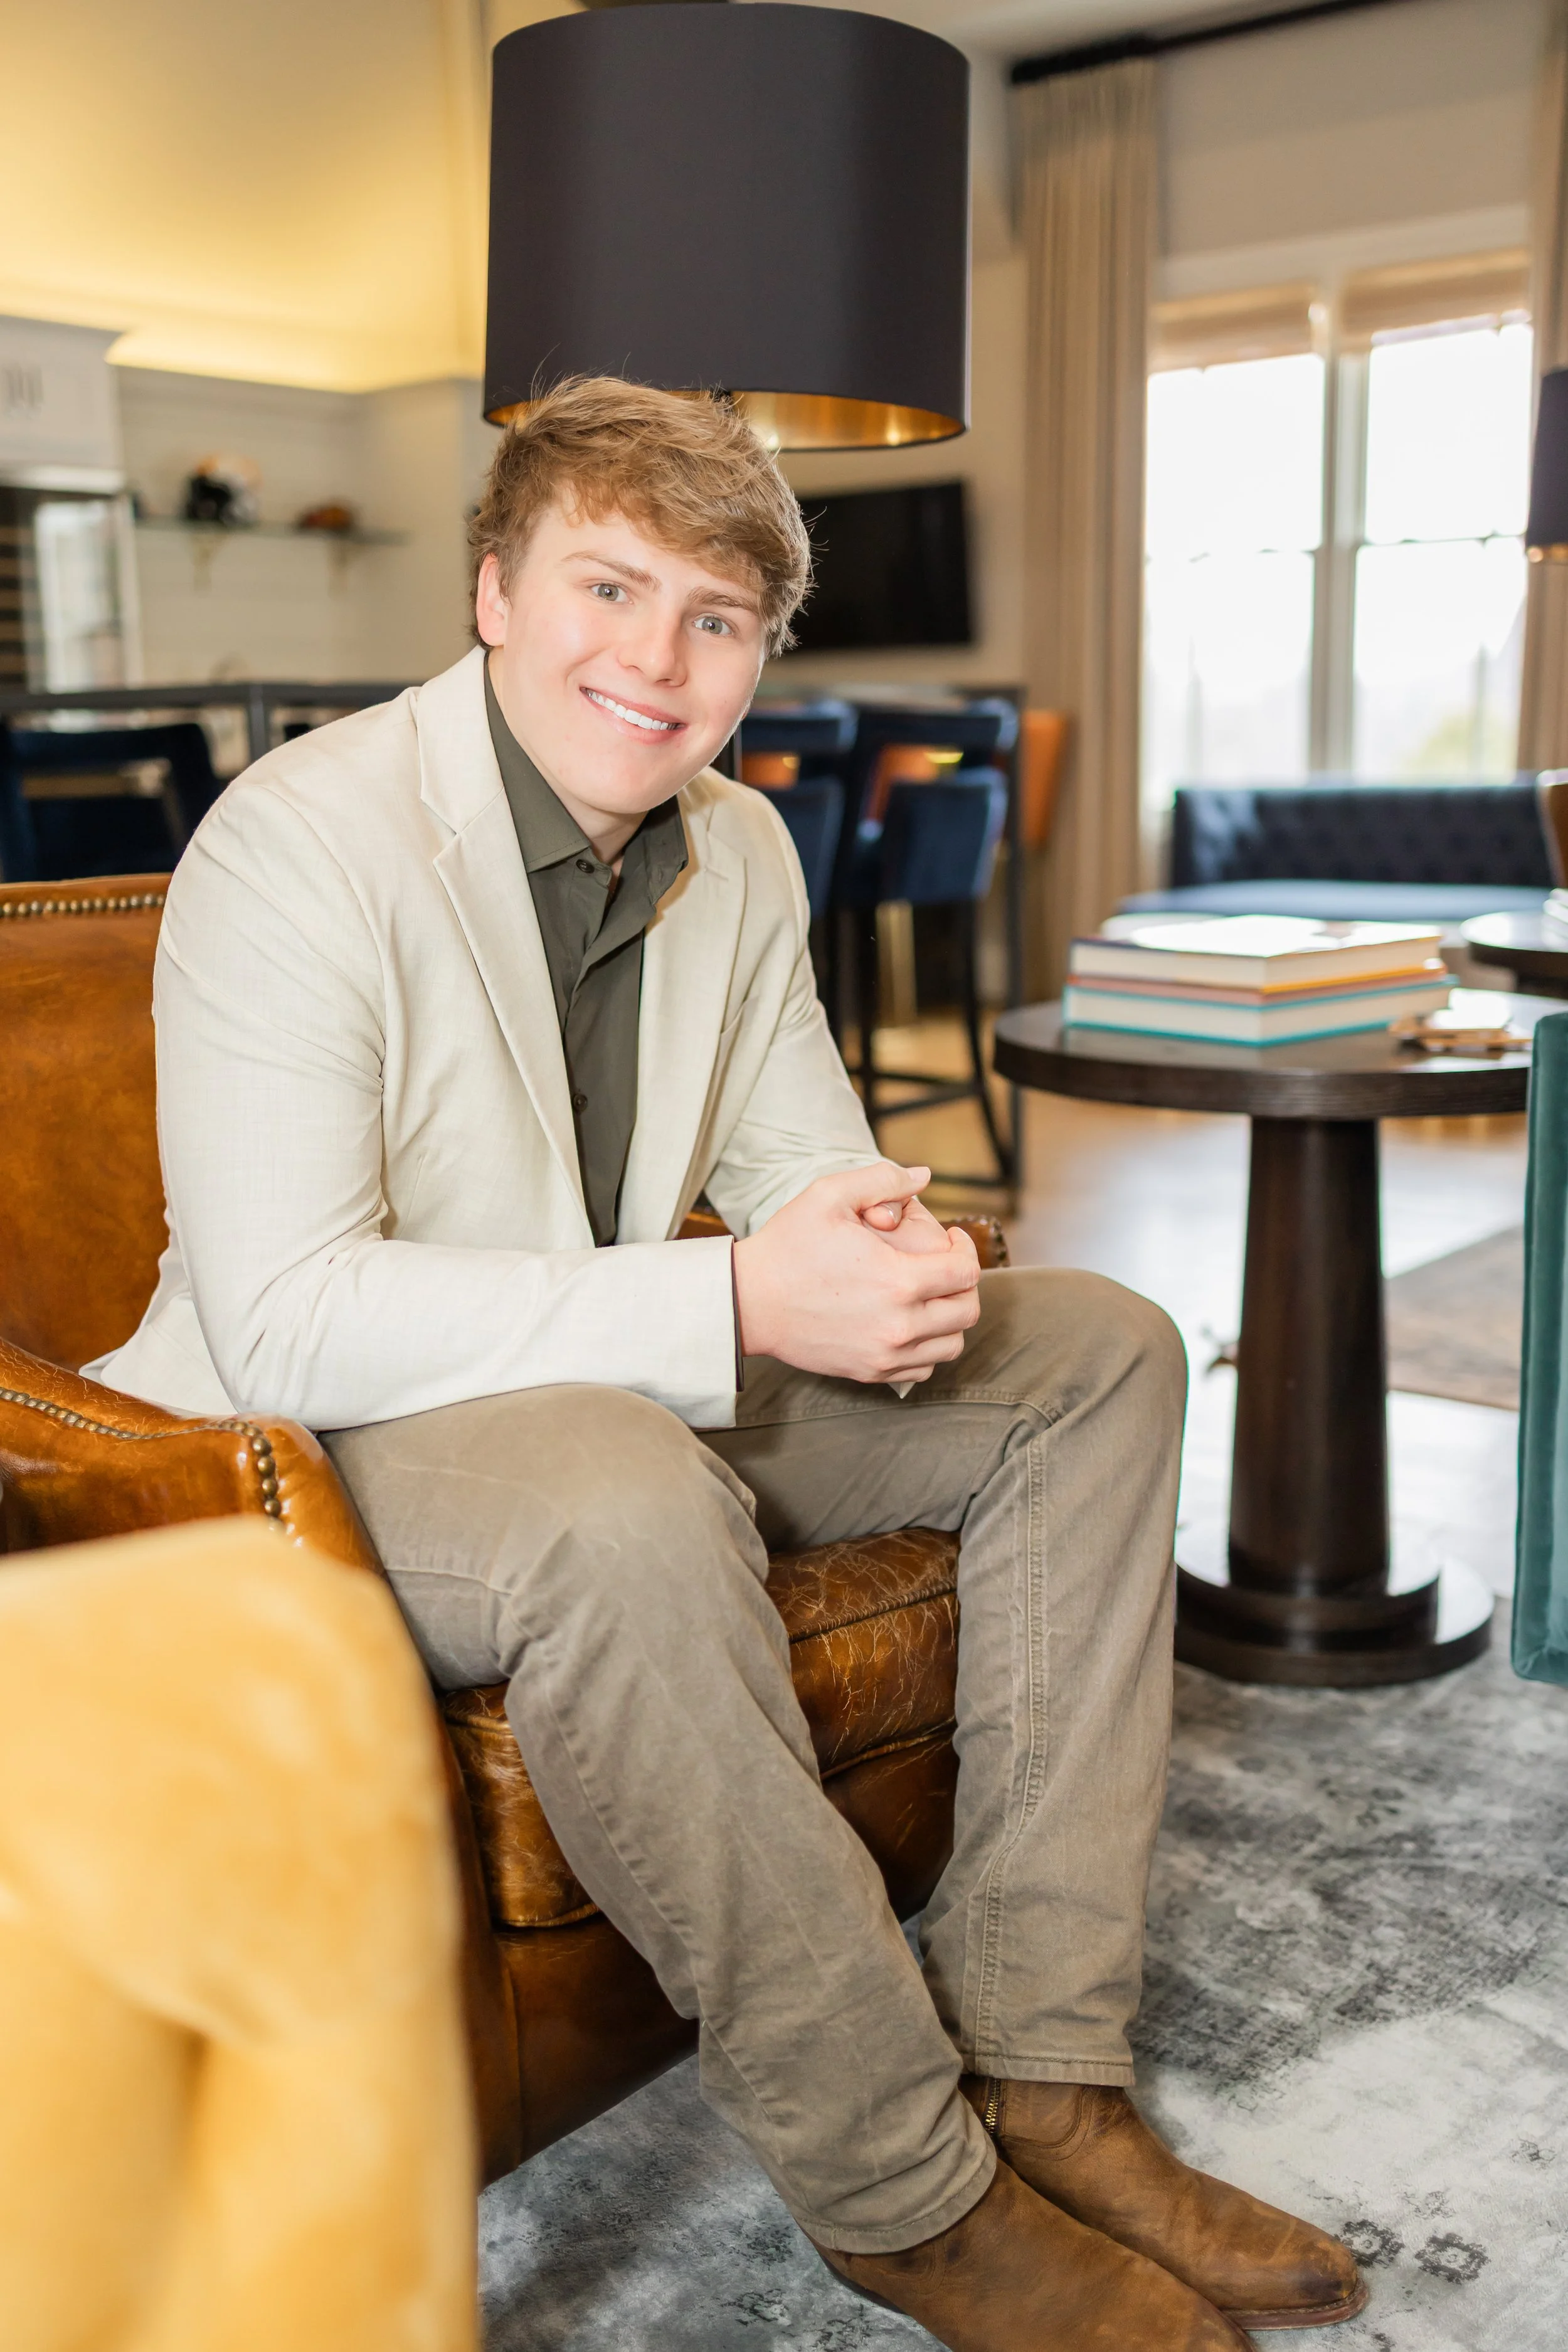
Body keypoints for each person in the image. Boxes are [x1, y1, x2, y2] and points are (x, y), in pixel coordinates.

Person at [93, 377, 1363, 2350]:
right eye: (608, 586)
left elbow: (802, 1157)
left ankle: (1044, 2063)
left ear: (760, 657)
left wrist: (885, 1248)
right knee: (617, 1483)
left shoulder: (740, 850)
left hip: (605, 1369)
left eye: (715, 619)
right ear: (495, 589)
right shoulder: (299, 841)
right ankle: (899, 2185)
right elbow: (287, 1315)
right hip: (301, 1454)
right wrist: (744, 1307)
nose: (655, 657)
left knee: (1095, 1347)